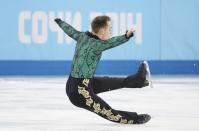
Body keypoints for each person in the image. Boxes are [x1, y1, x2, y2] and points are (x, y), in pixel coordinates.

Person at [55, 15, 151, 124]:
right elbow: (112, 42)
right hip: (79, 93)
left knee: (113, 82)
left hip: (83, 83)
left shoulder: (82, 36)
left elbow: (70, 31)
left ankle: (138, 79)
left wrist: (60, 22)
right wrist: (126, 36)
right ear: (101, 31)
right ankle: (135, 119)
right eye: (109, 29)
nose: (111, 32)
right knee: (107, 111)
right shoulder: (97, 45)